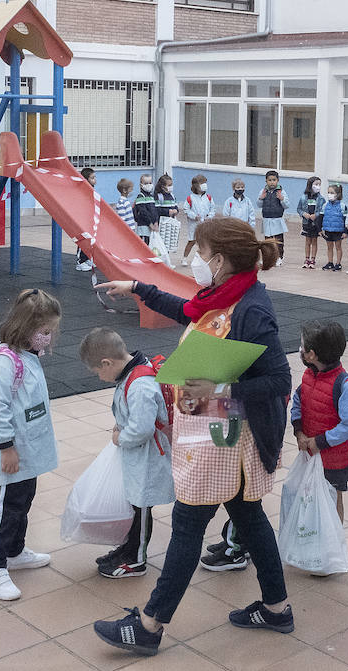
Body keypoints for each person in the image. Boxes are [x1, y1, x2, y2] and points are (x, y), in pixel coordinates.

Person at [93, 218, 293, 656]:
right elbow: (185, 307)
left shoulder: (251, 309)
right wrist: (138, 288)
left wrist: (221, 389)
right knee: (251, 522)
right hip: (215, 434)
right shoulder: (226, 295)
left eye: (202, 256)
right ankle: (277, 608)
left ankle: (149, 625)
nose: (197, 264)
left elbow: (280, 380)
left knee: (187, 529)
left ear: (220, 260)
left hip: (226, 442)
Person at [0, 289, 62, 600]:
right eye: (44, 331)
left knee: (23, 501)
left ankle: (14, 551)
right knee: (6, 507)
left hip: (27, 451)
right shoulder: (4, 363)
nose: (48, 337)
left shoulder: (28, 356)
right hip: (11, 452)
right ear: (24, 327)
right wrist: (6, 447)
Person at [80, 327, 174, 579]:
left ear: (107, 362)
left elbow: (142, 429)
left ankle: (137, 558)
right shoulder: (131, 375)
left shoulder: (140, 385)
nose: (100, 377)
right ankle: (128, 548)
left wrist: (121, 437)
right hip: (138, 456)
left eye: (98, 371)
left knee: (141, 508)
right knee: (135, 505)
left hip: (148, 457)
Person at [290, 320, 348, 522]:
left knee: (331, 500)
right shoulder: (308, 375)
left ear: (311, 354)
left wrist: (320, 441)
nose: (300, 350)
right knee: (310, 497)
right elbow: (298, 400)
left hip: (333, 459)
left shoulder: (344, 384)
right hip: (310, 453)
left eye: (302, 347)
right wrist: (299, 431)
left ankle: (333, 544)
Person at [183, 174, 215, 266]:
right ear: (196, 186)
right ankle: (184, 258)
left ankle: (203, 259)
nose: (204, 185)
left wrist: (209, 217)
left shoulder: (208, 197)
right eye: (202, 183)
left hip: (205, 223)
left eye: (205, 183)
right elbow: (186, 209)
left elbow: (212, 209)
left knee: (204, 241)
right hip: (194, 223)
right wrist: (193, 216)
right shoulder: (190, 198)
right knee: (192, 241)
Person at [259, 170, 288, 261]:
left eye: (274, 180)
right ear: (266, 181)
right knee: (268, 241)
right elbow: (259, 205)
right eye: (270, 180)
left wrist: (282, 199)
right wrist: (261, 198)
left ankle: (279, 257)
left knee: (278, 240)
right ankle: (268, 258)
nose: (272, 182)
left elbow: (287, 205)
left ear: (278, 180)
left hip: (277, 219)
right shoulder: (263, 191)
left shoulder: (281, 192)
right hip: (267, 219)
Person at [298, 176, 324, 270]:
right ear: (310, 185)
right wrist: (303, 214)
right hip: (306, 223)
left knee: (314, 241)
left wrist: (316, 215)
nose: (318, 186)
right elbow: (299, 209)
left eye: (319, 185)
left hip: (315, 224)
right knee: (307, 241)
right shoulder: (303, 197)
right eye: (316, 184)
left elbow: (322, 210)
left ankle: (313, 260)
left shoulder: (321, 199)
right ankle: (307, 259)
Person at [319, 184, 347, 272]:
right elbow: (321, 217)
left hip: (338, 230)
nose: (329, 194)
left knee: (338, 247)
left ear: (338, 194)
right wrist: (320, 229)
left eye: (332, 192)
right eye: (328, 192)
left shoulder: (343, 206)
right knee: (329, 247)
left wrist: (345, 231)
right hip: (328, 230)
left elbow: (346, 219)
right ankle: (330, 262)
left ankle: (338, 264)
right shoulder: (325, 205)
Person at [76, 167, 98, 272]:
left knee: (90, 240)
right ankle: (80, 262)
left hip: (90, 218)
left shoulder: (91, 189)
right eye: (92, 178)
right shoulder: (83, 189)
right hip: (84, 218)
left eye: (95, 177)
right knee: (83, 240)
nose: (95, 180)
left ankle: (88, 258)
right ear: (86, 179)